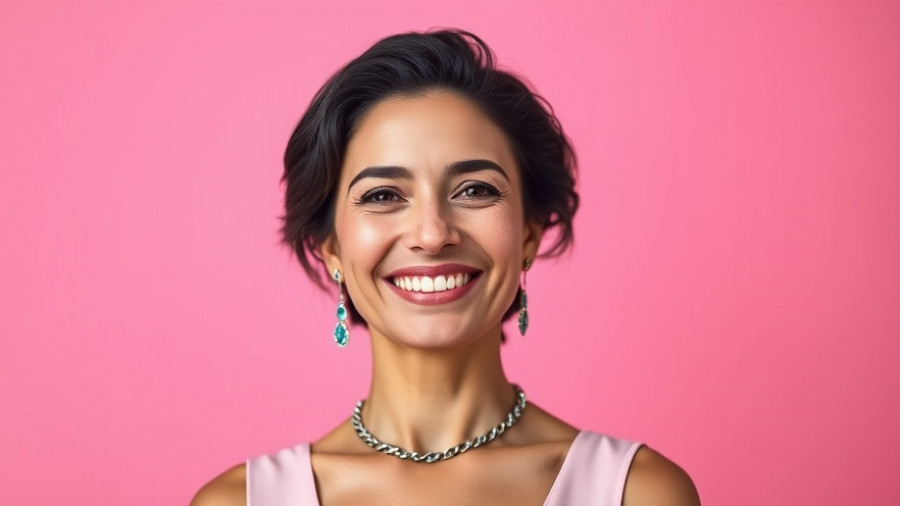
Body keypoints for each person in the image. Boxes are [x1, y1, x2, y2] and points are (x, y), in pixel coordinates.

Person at [192, 29, 699, 506]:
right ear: (331, 248)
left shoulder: (635, 493)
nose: (433, 235)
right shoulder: (242, 500)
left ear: (527, 233)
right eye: (384, 195)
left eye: (475, 190)